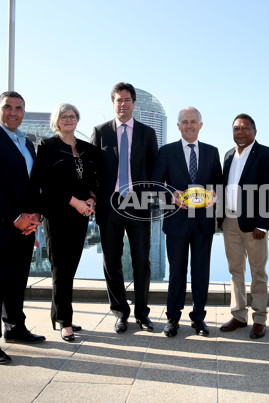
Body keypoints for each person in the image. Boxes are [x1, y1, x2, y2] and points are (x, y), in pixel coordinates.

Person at [0, 91, 45, 364]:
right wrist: (16, 217)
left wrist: (35, 214)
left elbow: (31, 183)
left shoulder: (27, 143)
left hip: (25, 224)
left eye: (19, 108)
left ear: (24, 112)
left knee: (17, 280)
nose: (14, 112)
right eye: (8, 107)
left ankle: (15, 327)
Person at [91, 82, 159, 333]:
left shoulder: (147, 133)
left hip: (138, 204)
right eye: (118, 100)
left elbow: (155, 172)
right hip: (109, 207)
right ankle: (120, 311)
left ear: (133, 103)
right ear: (113, 103)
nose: (123, 104)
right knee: (112, 260)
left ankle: (142, 312)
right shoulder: (100, 132)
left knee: (142, 260)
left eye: (127, 100)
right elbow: (92, 170)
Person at [151, 106, 222, 337]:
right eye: (185, 122)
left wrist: (213, 195)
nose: (189, 125)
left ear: (201, 125)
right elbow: (155, 183)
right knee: (176, 272)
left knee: (201, 272)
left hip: (203, 223)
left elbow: (218, 184)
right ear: (178, 126)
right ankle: (172, 319)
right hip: (176, 222)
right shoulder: (167, 151)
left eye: (193, 121)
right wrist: (171, 194)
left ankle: (199, 318)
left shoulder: (212, 152)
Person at [34, 103, 100, 342]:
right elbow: (46, 183)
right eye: (64, 116)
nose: (69, 119)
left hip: (81, 215)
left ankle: (58, 314)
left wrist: (92, 198)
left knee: (69, 268)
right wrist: (75, 202)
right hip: (57, 214)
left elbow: (94, 178)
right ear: (57, 120)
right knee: (60, 268)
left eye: (72, 116)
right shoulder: (47, 146)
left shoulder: (86, 148)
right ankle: (65, 322)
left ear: (77, 119)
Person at [217, 113, 269, 339]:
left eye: (244, 128)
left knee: (258, 271)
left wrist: (263, 223)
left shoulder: (266, 154)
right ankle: (239, 315)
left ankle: (259, 318)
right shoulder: (229, 155)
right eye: (236, 129)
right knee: (235, 270)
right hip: (230, 221)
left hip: (254, 225)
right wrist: (220, 219)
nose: (240, 132)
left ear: (254, 131)